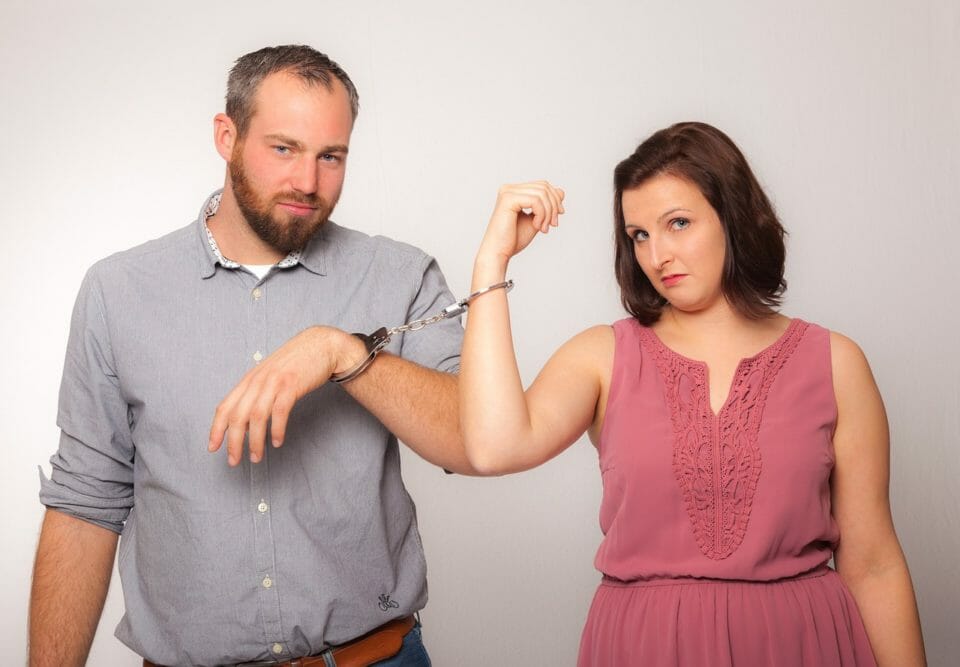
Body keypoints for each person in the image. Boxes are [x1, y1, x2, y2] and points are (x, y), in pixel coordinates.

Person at [30, 45, 474, 667]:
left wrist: (346, 354)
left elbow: (471, 438)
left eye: (332, 157)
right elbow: (86, 503)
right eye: (283, 148)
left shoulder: (398, 275)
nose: (307, 182)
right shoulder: (118, 291)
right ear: (227, 135)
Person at [459, 122, 926, 665]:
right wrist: (490, 263)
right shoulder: (603, 356)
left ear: (732, 217)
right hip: (645, 647)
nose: (657, 255)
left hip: (801, 644)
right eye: (639, 235)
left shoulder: (836, 362)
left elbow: (872, 563)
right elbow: (494, 447)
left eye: (677, 223)